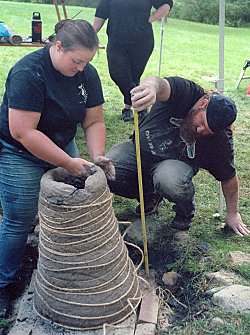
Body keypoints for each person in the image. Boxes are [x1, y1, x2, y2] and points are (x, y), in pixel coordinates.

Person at [0, 19, 114, 317]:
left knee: (70, 211)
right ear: (58, 46)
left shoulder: (86, 74)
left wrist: (97, 156)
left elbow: (94, 121)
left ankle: (69, 270)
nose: (81, 68)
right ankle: (3, 283)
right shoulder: (29, 73)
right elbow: (23, 132)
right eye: (76, 61)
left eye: (87, 62)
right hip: (20, 152)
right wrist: (69, 163)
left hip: (63, 144)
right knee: (18, 220)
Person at [106, 75, 249, 237]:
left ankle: (184, 212)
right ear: (203, 103)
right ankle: (150, 195)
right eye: (201, 123)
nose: (201, 130)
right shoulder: (187, 92)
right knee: (108, 170)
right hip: (139, 150)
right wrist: (150, 87)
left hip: (172, 166)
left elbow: (229, 177)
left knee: (170, 180)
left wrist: (232, 214)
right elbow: (161, 84)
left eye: (208, 131)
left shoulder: (220, 139)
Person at [93, 0, 173, 122]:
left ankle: (127, 109)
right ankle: (141, 104)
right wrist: (90, 34)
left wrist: (151, 18)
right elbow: (101, 13)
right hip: (116, 41)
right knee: (117, 74)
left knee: (134, 76)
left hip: (142, 42)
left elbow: (166, 4)